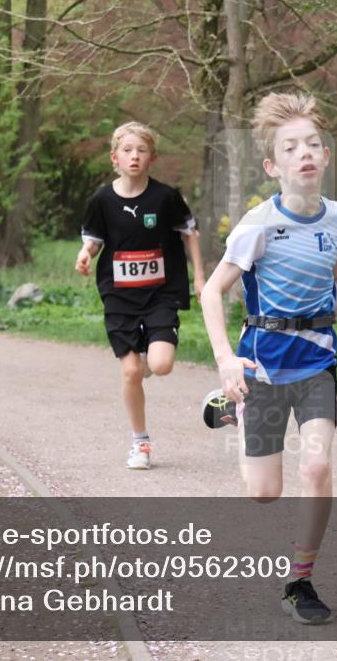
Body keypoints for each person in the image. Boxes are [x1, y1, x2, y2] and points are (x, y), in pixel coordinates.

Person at [199, 93, 337, 625]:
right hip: (262, 365)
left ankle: (300, 580)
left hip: (317, 361)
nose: (305, 153)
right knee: (264, 493)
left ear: (326, 155)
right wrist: (225, 358)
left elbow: (332, 280)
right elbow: (210, 292)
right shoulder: (257, 225)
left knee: (316, 465)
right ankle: (232, 405)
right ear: (273, 166)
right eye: (291, 147)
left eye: (313, 143)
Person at [75, 122, 205, 470]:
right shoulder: (102, 200)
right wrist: (86, 252)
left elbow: (190, 233)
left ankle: (147, 358)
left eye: (141, 150)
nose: (135, 156)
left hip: (161, 291)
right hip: (119, 296)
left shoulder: (165, 197)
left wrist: (200, 278)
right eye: (128, 150)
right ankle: (140, 443)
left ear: (152, 157)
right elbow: (95, 238)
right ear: (114, 157)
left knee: (160, 365)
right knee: (131, 372)